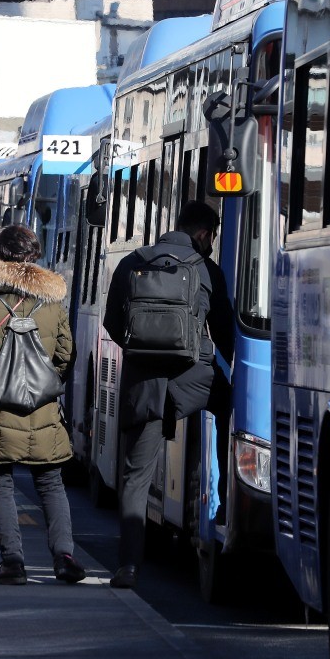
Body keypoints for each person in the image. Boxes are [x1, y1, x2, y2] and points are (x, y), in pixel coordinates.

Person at [103, 201, 235, 589]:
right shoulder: (206, 269)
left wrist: (144, 352)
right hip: (193, 380)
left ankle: (128, 566)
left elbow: (114, 322)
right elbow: (225, 332)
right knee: (233, 407)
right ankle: (227, 500)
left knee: (136, 476)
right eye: (211, 237)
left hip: (143, 385)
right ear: (201, 234)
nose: (210, 244)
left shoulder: (133, 262)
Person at [0, 225, 87, 585]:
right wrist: (42, 387)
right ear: (34, 255)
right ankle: (64, 557)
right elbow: (64, 354)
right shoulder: (53, 300)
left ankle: (13, 563)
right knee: (52, 483)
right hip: (41, 409)